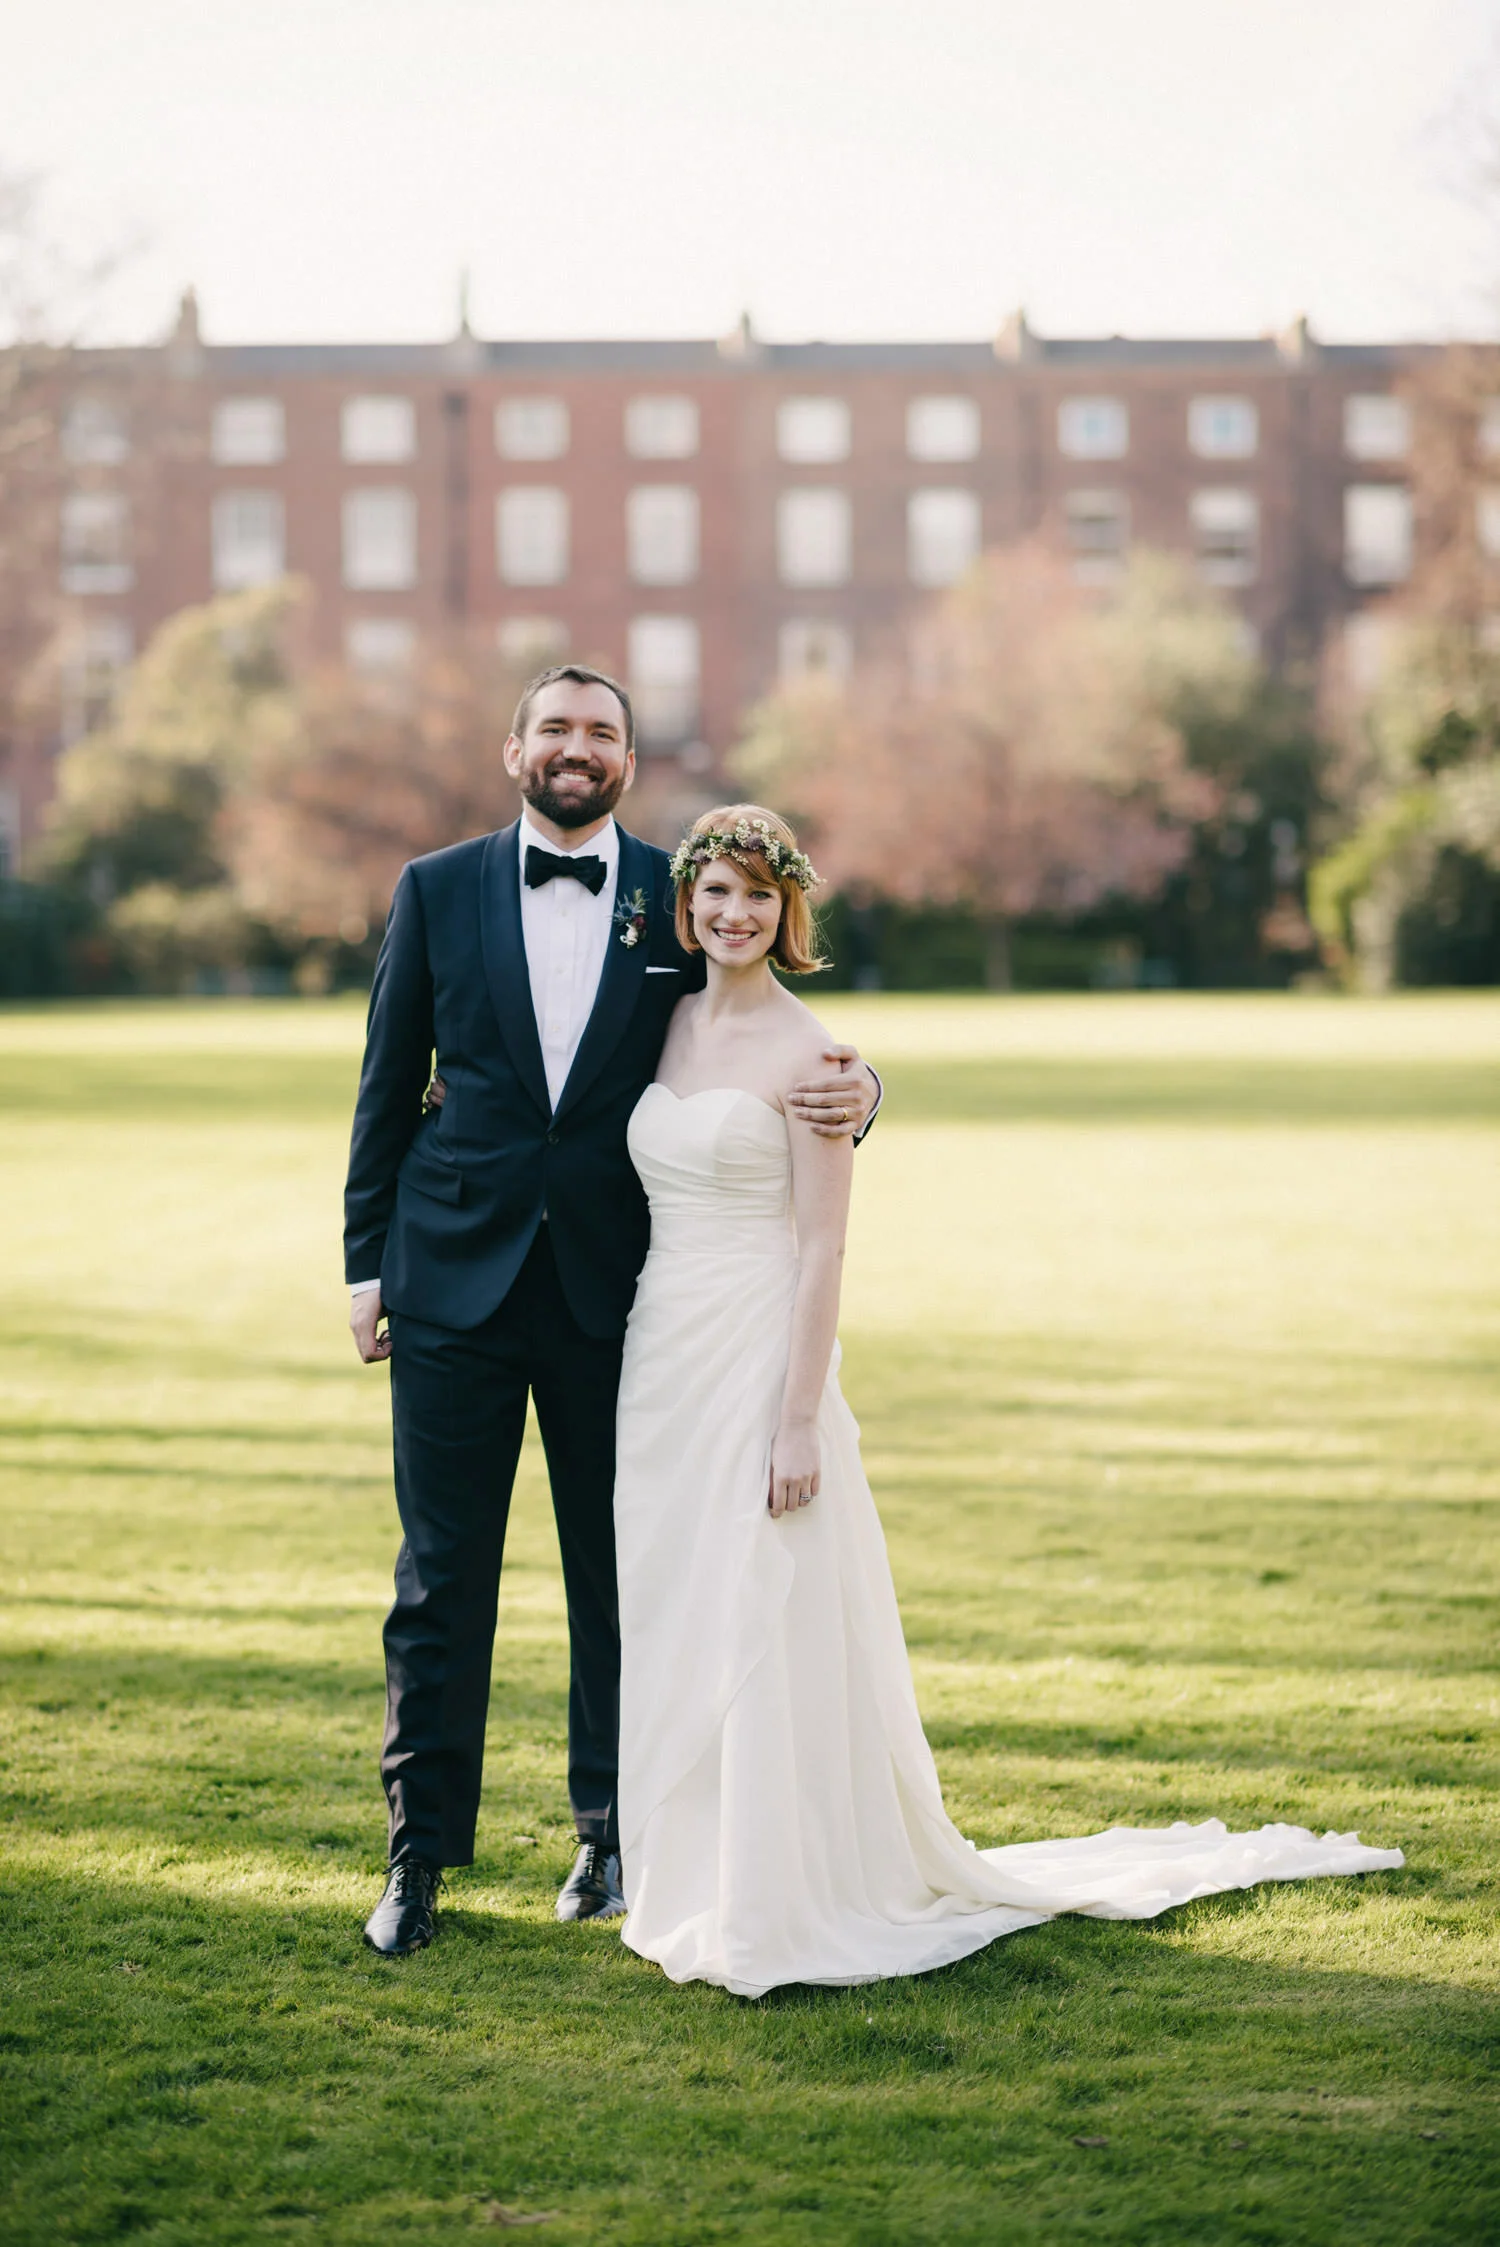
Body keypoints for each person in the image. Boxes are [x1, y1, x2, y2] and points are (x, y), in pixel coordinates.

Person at [613, 805, 1404, 1998]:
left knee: (761, 1608)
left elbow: (823, 1251)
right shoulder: (661, 1023)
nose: (735, 915)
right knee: (680, 1609)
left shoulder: (818, 1059)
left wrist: (795, 1417)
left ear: (790, 914)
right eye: (716, 893)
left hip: (757, 1353)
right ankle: (691, 1877)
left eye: (760, 898)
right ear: (688, 903)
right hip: (660, 1353)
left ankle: (779, 1895)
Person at [343, 670, 880, 1958]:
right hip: (450, 1284)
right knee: (440, 1578)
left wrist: (867, 1090)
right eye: (558, 729)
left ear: (629, 761)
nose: (577, 750)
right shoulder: (436, 887)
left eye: (602, 734)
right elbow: (385, 1077)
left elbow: (749, 1034)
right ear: (514, 747)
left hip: (622, 1302)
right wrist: (366, 1262)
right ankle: (420, 1856)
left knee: (621, 1573)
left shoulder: (675, 891)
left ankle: (610, 1834)